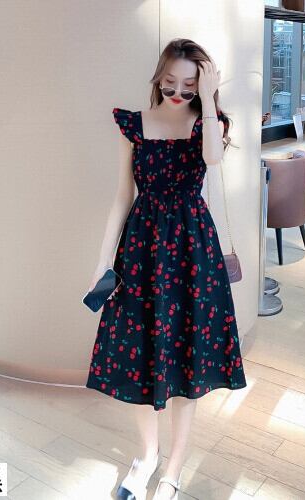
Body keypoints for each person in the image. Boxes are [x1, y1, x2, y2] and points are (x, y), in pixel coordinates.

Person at [85, 38, 247, 500]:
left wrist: (209, 101)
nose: (178, 93)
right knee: (138, 354)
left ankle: (174, 468)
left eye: (189, 86)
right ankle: (148, 455)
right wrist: (102, 260)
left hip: (192, 252)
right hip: (140, 250)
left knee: (187, 358)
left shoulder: (209, 123)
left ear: (203, 85)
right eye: (170, 83)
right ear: (158, 77)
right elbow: (123, 196)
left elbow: (212, 159)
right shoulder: (133, 125)